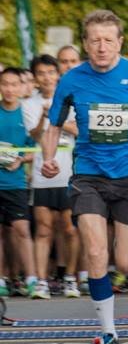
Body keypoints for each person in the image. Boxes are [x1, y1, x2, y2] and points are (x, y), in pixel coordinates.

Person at [39, 9, 128, 344]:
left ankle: (110, 271)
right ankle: (108, 334)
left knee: (126, 263)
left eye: (108, 40)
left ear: (120, 43)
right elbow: (54, 124)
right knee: (95, 252)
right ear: (85, 43)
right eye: (95, 40)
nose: (101, 47)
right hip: (88, 177)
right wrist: (49, 157)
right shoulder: (71, 80)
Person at [24, 54, 77, 298]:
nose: (46, 77)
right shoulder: (30, 104)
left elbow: (78, 129)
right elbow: (34, 134)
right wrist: (44, 117)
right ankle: (42, 282)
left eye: (50, 72)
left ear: (58, 74)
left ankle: (70, 279)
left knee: (69, 229)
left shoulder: (72, 98)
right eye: (41, 73)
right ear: (35, 78)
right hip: (42, 174)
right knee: (44, 229)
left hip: (69, 173)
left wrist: (57, 118)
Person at [0, 67, 40, 300]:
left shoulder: (26, 114)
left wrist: (20, 160)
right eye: (5, 84)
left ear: (21, 87)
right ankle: (2, 279)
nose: (9, 89)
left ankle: (33, 278)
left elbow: (36, 149)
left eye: (14, 84)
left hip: (16, 182)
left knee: (22, 229)